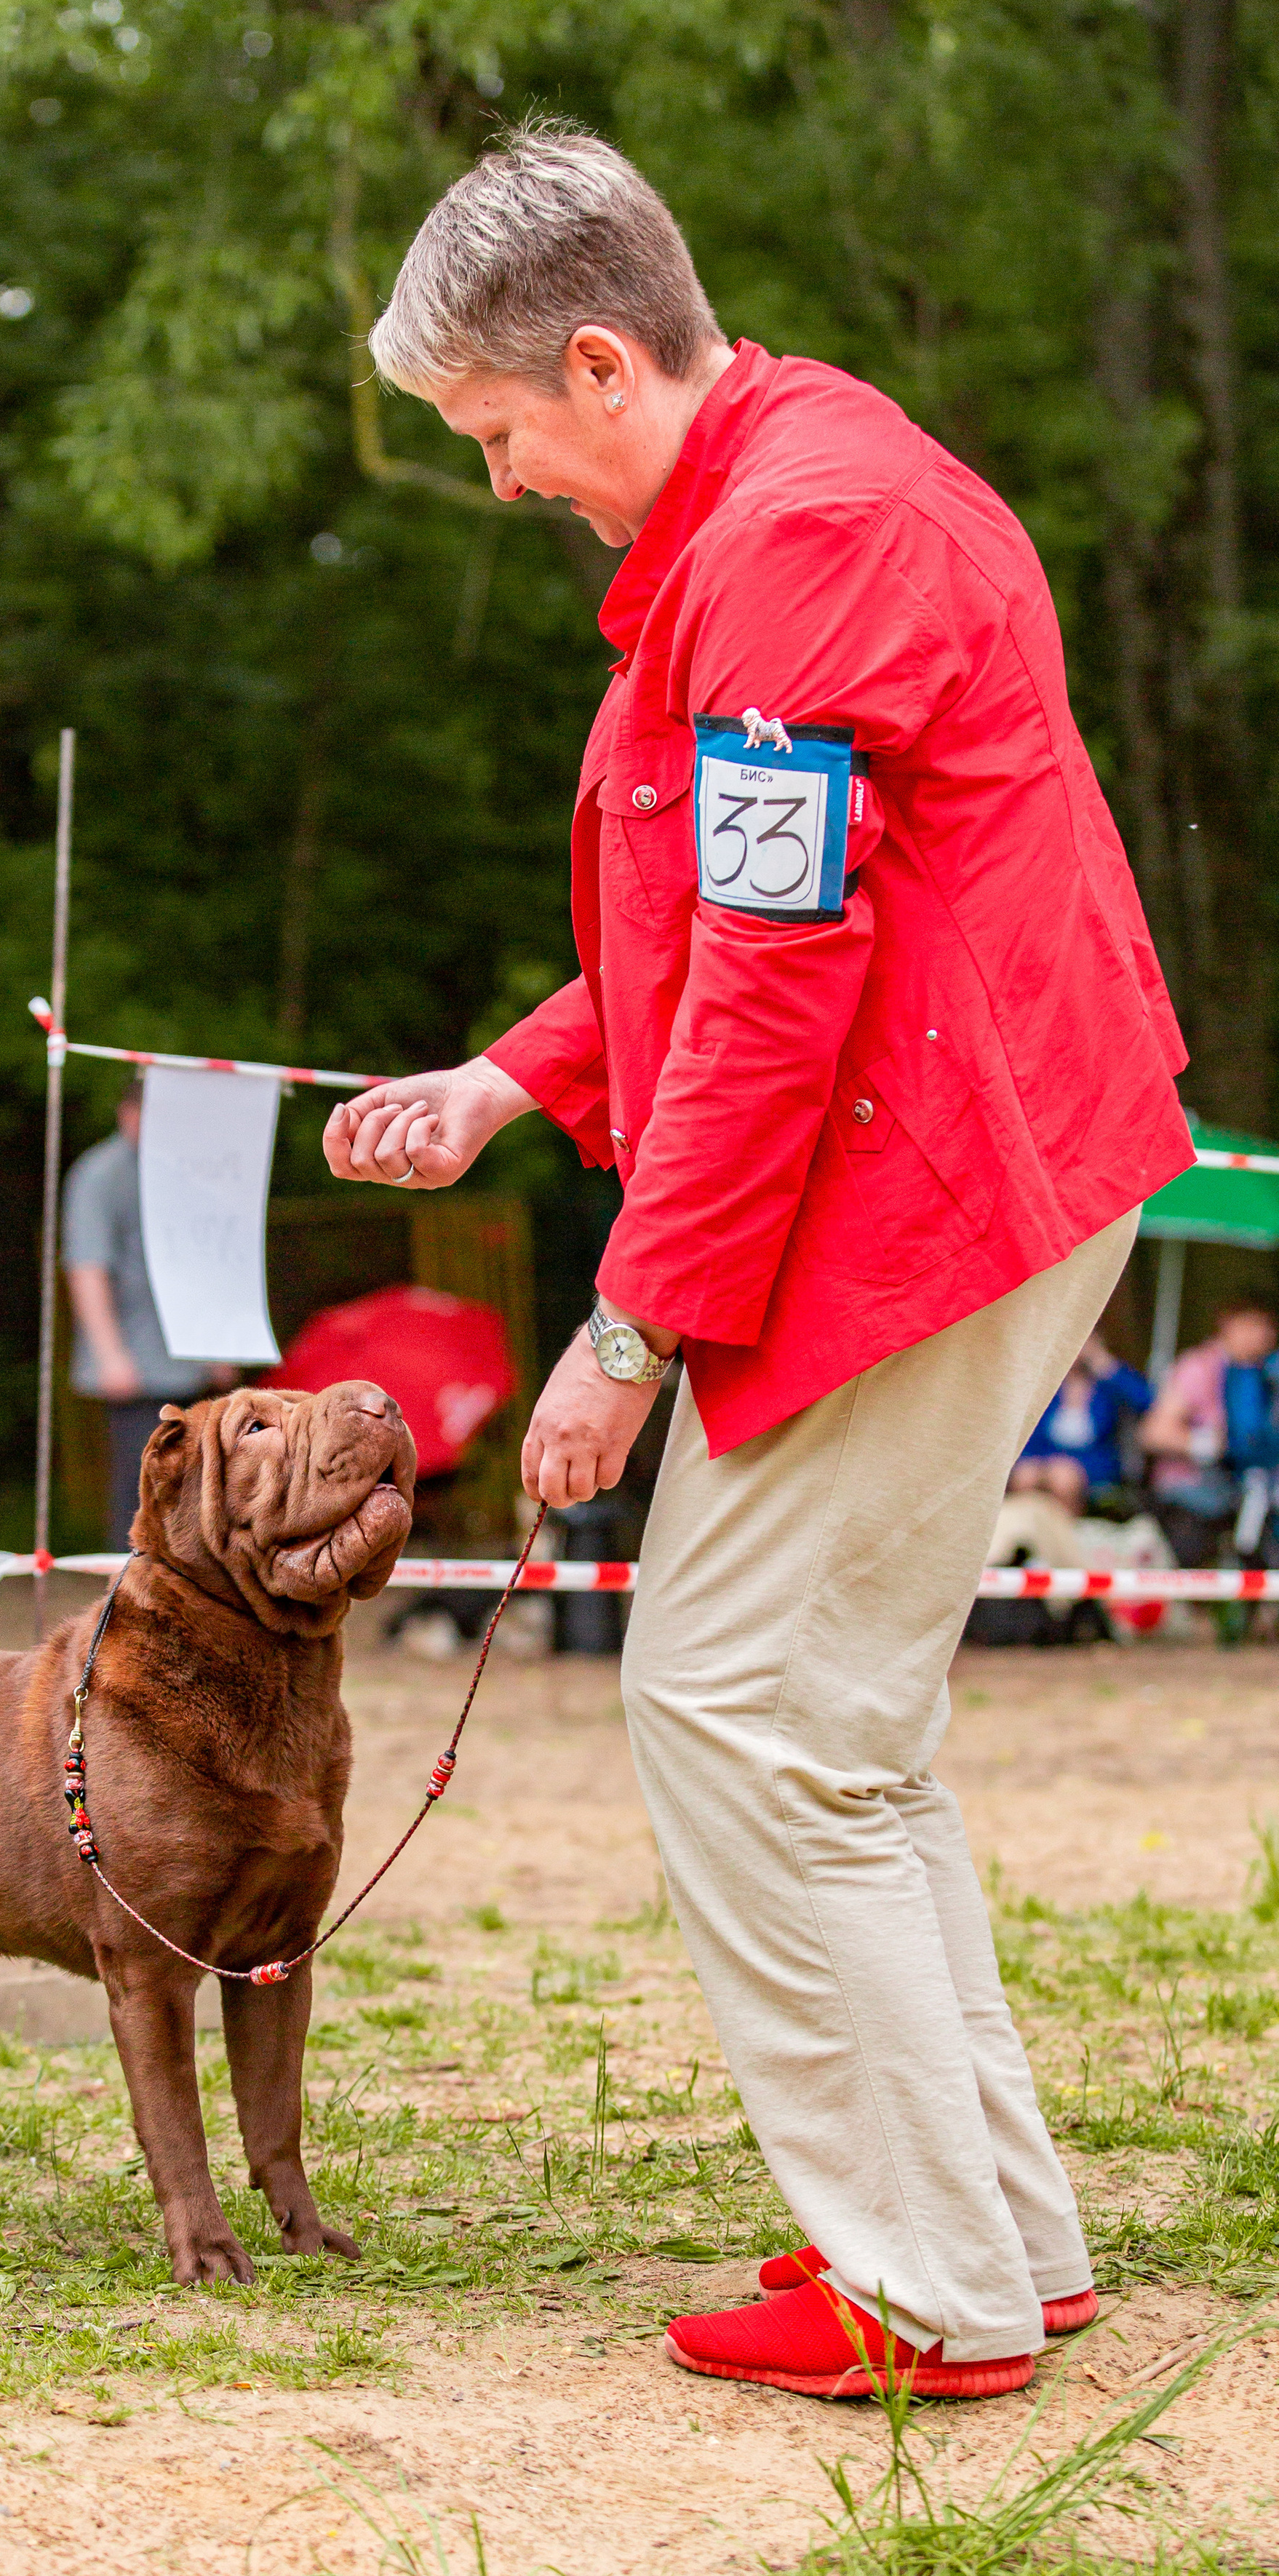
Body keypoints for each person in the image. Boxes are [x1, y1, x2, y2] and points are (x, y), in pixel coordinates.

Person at [325, 121, 1193, 2401]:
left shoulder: (799, 543)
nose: (503, 483)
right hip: (974, 1150)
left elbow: (784, 974)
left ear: (597, 363)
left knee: (731, 1701)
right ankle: (992, 2235)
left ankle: (921, 2289)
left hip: (945, 1180)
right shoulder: (788, 486)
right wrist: (519, 1079)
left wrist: (624, 1328)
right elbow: (722, 910)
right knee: (841, 1728)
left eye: (496, 435)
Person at [63, 1087, 228, 1549]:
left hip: (187, 1364)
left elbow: (205, 1261)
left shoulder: (183, 1172)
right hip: (135, 1369)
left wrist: (216, 1346)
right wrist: (110, 1354)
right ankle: (131, 1590)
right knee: (141, 1494)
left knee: (195, 1489)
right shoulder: (98, 1176)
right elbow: (87, 1267)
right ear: (129, 1114)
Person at [1138, 1296, 1279, 1566]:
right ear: (1229, 1324)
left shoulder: (1265, 1373)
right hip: (1188, 1493)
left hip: (1242, 1493)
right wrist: (1204, 1443)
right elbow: (1154, 1431)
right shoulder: (1200, 1366)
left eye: (1269, 1328)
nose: (1266, 1336)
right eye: (1256, 1326)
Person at [1010, 1333, 1153, 1514]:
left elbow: (1146, 1400)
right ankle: (1029, 1534)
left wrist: (1104, 1363)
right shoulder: (1048, 1385)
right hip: (1045, 1457)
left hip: (1094, 1462)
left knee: (1063, 1478)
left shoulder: (1106, 1386)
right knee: (1024, 1476)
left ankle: (1065, 1537)